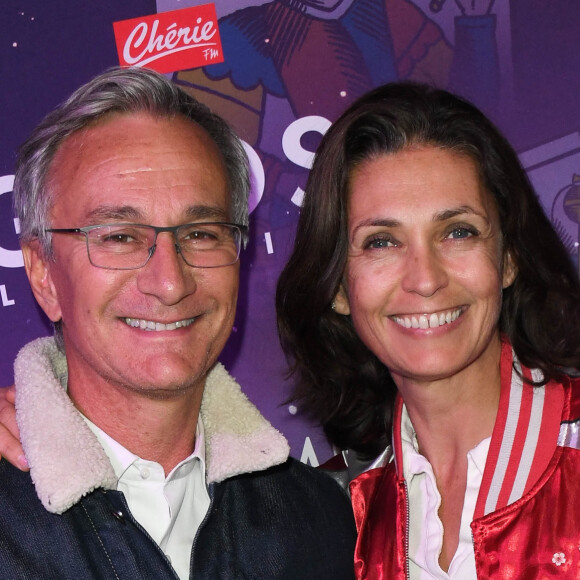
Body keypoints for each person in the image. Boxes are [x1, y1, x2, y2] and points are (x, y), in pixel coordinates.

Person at [0, 66, 356, 579]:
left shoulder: (319, 520)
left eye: (201, 233)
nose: (170, 282)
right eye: (119, 236)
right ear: (42, 274)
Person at [276, 83, 580, 578]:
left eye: (458, 232)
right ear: (337, 287)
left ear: (507, 258)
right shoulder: (330, 517)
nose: (425, 278)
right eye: (381, 242)